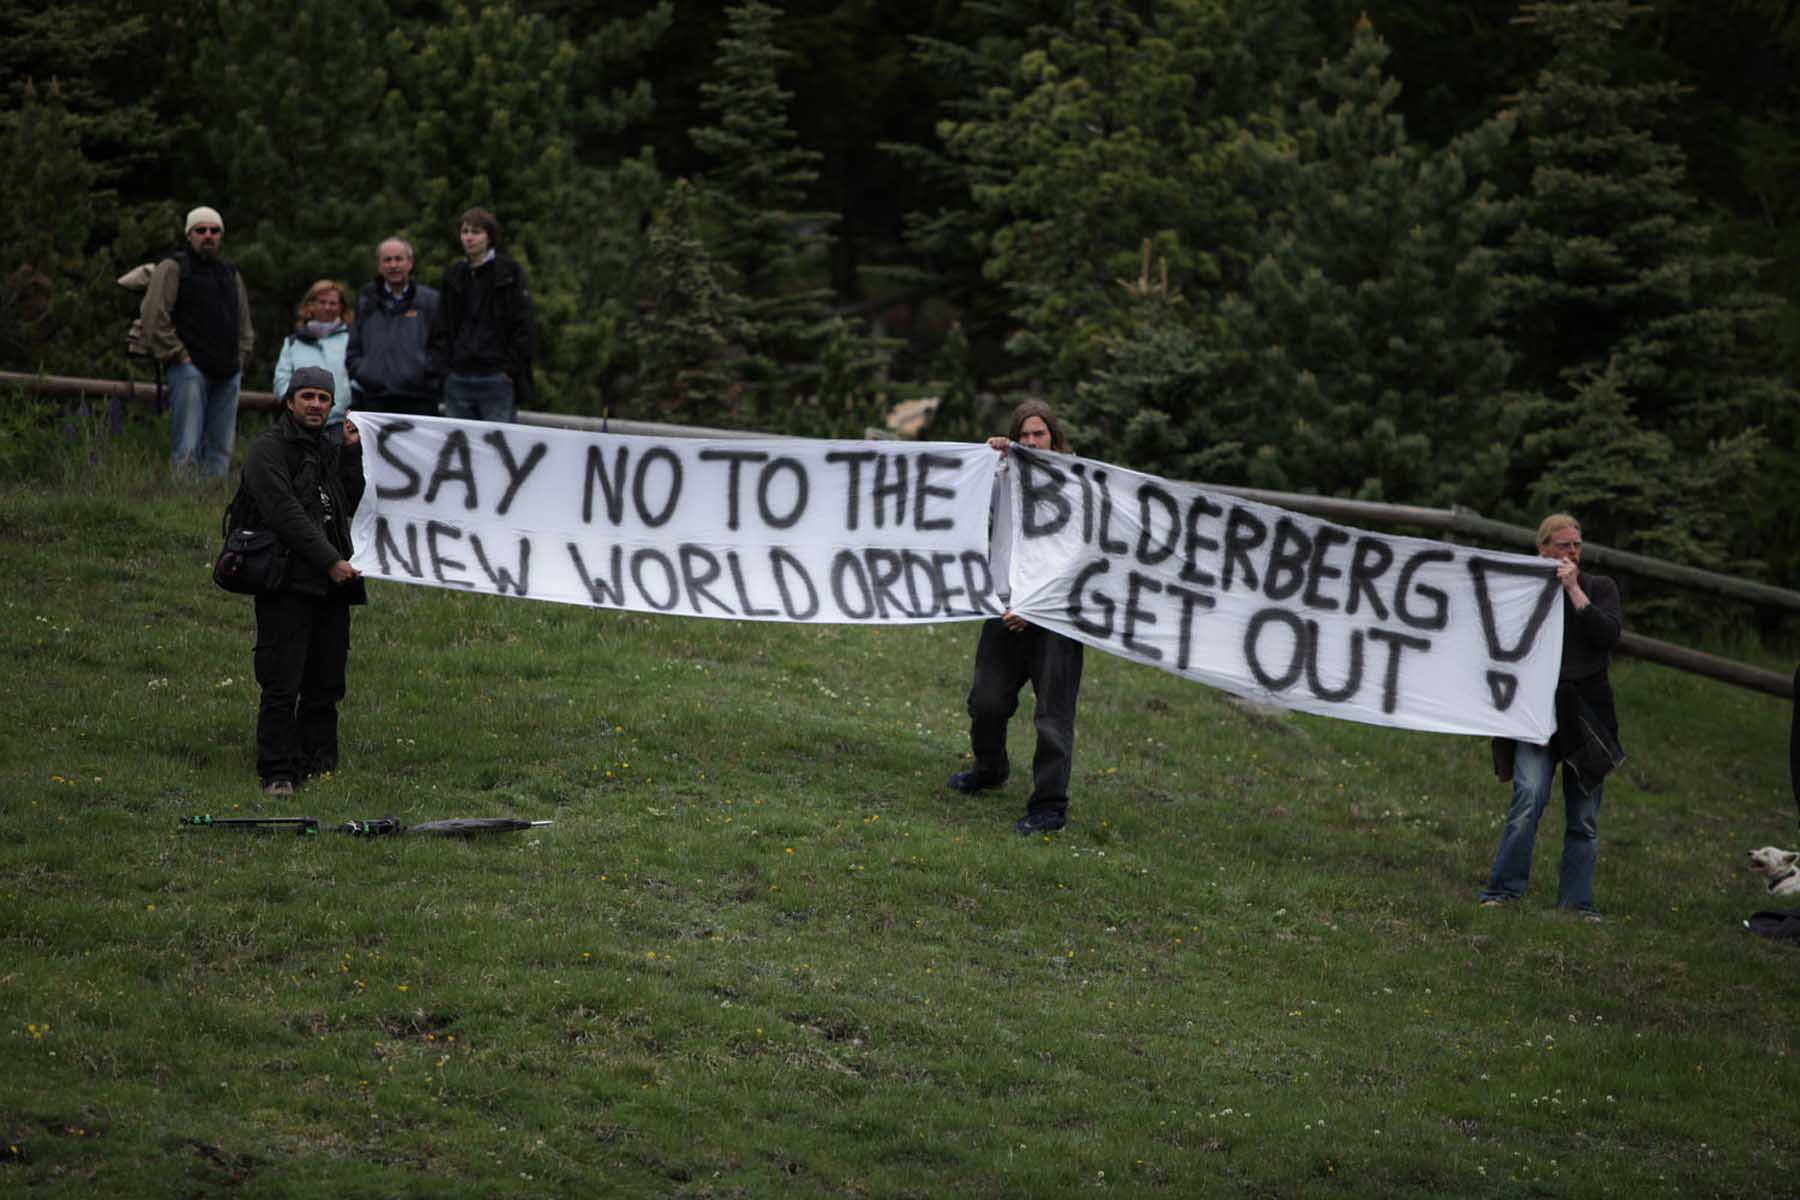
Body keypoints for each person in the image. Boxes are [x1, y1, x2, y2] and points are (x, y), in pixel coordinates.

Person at [947, 399, 1085, 836]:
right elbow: (970, 507)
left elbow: (1077, 554)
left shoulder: (1078, 484)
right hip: (1004, 609)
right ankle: (989, 769)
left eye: (1038, 434)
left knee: (1052, 717)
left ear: (1054, 437)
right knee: (986, 701)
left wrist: (1036, 604)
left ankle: (1049, 806)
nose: (1030, 442)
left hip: (1054, 618)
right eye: (1023, 435)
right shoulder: (1003, 475)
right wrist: (989, 459)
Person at [1479, 513, 1624, 920]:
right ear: (1542, 548)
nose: (1573, 551)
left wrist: (1575, 591)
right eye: (1563, 545)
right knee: (1528, 797)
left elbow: (1608, 635)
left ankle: (1576, 903)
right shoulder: (1525, 590)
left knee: (1584, 817)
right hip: (1536, 714)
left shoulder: (1599, 588)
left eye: (1577, 544)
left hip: (1587, 719)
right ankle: (1504, 891)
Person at [240, 365, 367, 797]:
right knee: (282, 679)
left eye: (323, 398)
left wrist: (351, 452)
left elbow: (351, 501)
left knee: (327, 679)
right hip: (287, 580)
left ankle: (320, 764)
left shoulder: (328, 447)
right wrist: (331, 560)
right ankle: (277, 770)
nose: (315, 404)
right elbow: (284, 514)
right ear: (290, 401)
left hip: (332, 584)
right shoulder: (267, 451)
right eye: (308, 396)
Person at [137, 205, 254, 478]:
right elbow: (154, 315)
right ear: (189, 234)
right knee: (186, 447)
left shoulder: (230, 273)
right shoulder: (173, 267)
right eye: (201, 230)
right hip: (189, 369)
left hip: (228, 371)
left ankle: (211, 503)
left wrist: (242, 357)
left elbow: (244, 321)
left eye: (214, 230)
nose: (208, 235)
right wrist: (178, 355)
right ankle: (183, 502)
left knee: (221, 447)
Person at [428, 206, 535, 423]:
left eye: (476, 232)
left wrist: (509, 369)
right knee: (459, 451)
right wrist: (444, 370)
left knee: (496, 452)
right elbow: (441, 326)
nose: (469, 238)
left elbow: (524, 325)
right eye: (465, 231)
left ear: (489, 237)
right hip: (458, 378)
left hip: (496, 378)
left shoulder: (510, 273)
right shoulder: (454, 275)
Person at [346, 236, 442, 418]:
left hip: (419, 398)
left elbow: (441, 345)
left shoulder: (430, 300)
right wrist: (364, 371)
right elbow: (354, 345)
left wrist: (425, 372)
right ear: (379, 265)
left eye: (399, 259)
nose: (393, 265)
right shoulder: (366, 300)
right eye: (387, 260)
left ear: (410, 263)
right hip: (374, 399)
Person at [273, 279, 354, 442]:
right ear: (310, 305)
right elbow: (281, 381)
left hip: (340, 424)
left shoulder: (353, 340)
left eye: (333, 303)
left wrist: (354, 406)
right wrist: (297, 407)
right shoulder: (292, 342)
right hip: (299, 425)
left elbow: (359, 377)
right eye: (322, 302)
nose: (327, 307)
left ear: (341, 308)